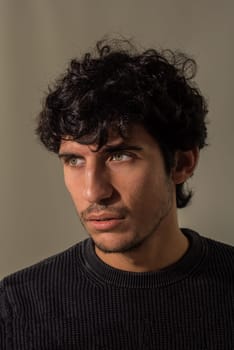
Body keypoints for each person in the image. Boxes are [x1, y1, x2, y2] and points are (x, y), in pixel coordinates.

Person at [0, 38, 233, 350]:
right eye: (74, 160)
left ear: (182, 163)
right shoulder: (17, 308)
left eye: (119, 156)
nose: (93, 191)